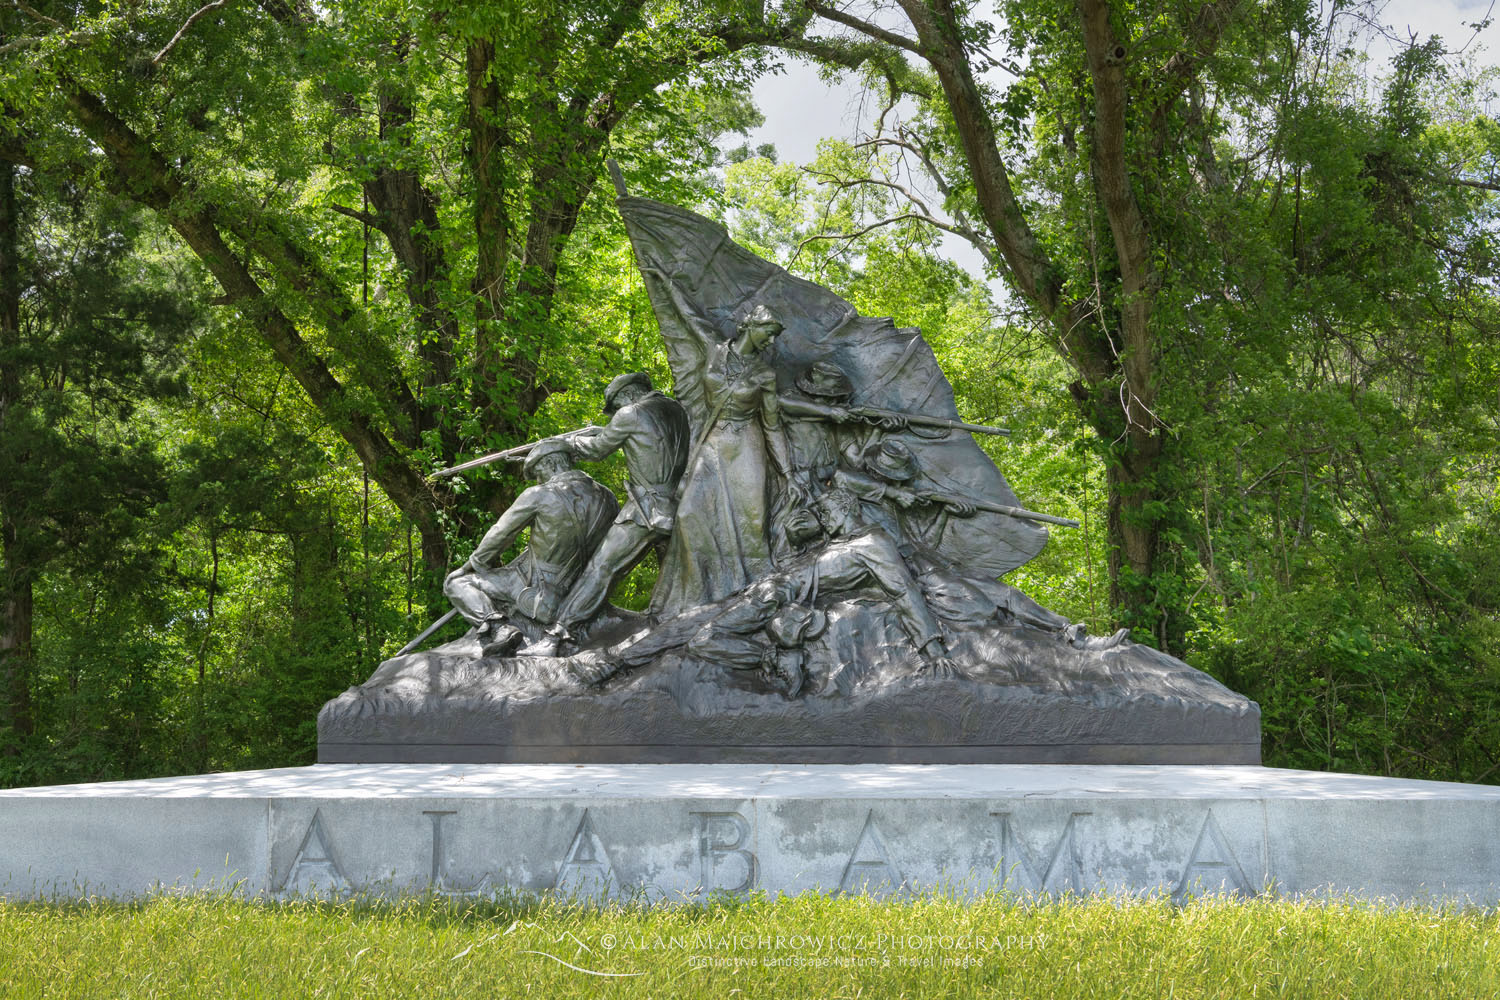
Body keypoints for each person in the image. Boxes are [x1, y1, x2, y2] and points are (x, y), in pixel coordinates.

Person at [528, 372, 690, 653]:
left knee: (600, 568)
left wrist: (569, 443)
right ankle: (667, 626)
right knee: (670, 576)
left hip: (645, 512)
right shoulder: (676, 409)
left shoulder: (631, 413)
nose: (616, 413)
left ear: (626, 396)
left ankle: (557, 636)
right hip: (678, 507)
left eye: (615, 407)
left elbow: (598, 449)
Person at [650, 302, 789, 615]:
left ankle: (754, 600)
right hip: (713, 443)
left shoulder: (765, 374)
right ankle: (696, 600)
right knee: (688, 516)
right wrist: (663, 278)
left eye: (775, 336)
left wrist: (788, 471)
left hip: (746, 444)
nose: (772, 341)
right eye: (769, 332)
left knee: (752, 521)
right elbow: (688, 315)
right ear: (750, 326)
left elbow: (772, 424)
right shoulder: (714, 351)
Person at [442, 439, 617, 657]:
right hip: (580, 595)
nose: (538, 479)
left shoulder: (540, 494)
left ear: (552, 464)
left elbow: (500, 534)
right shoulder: (608, 498)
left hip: (537, 593)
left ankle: (500, 630)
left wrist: (472, 564)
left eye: (538, 472)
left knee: (455, 582)